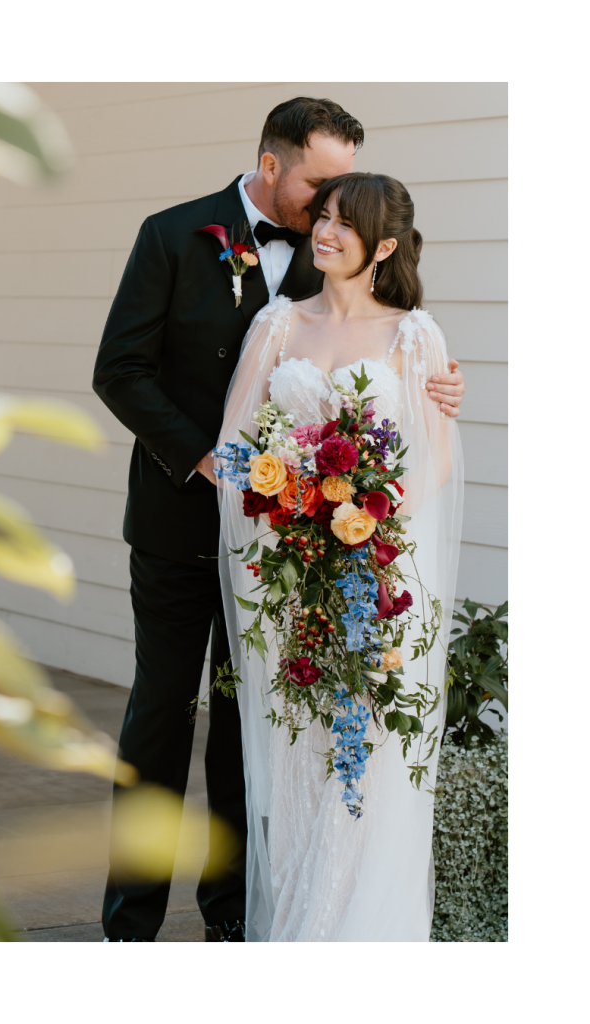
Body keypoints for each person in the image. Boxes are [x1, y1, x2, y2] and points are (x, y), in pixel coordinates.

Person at [92, 98, 466, 942]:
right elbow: (119, 370)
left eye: (340, 193)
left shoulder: (326, 251)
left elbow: (380, 354)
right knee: (159, 718)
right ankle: (129, 925)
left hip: (300, 560)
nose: (328, 203)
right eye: (319, 184)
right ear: (272, 165)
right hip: (180, 526)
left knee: (251, 726)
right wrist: (216, 467)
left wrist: (436, 391)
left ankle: (234, 913)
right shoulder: (173, 235)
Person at [218, 171, 464, 941]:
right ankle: (298, 920)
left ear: (381, 246)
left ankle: (364, 931)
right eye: (320, 217)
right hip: (296, 573)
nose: (323, 232)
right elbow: (234, 446)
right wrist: (293, 515)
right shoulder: (276, 325)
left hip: (380, 580)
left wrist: (373, 529)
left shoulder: (414, 334)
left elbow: (435, 457)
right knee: (303, 742)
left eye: (342, 225)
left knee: (373, 748)